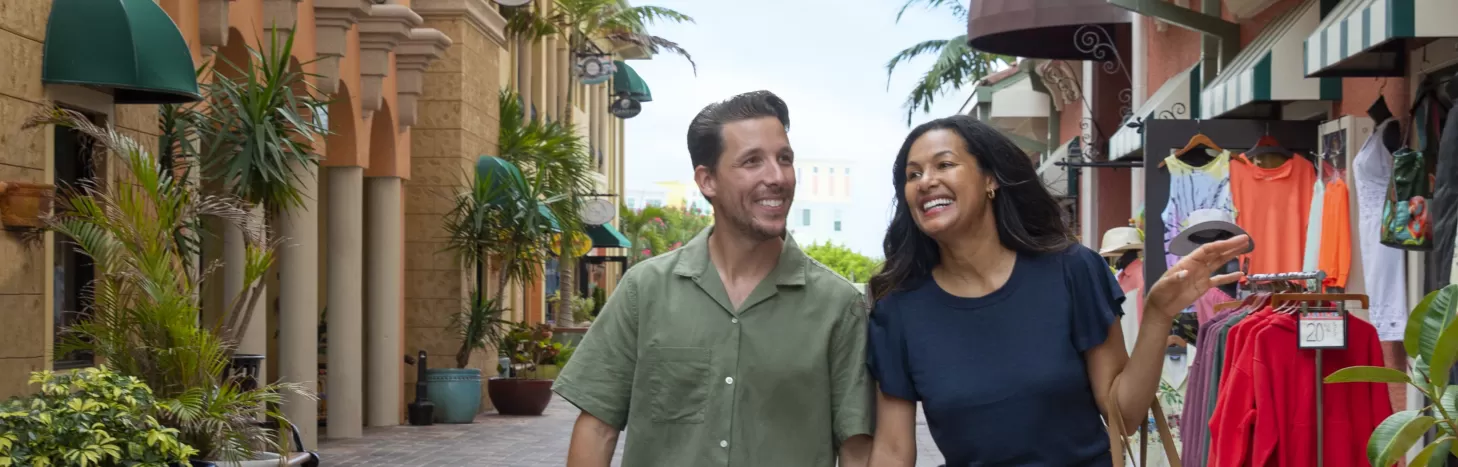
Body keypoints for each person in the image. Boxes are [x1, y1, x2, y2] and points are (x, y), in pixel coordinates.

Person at [865, 115, 1248, 466]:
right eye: (913, 174)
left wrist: (1158, 315)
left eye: (944, 164)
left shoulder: (1072, 271)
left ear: (990, 179)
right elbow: (892, 451)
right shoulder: (898, 310)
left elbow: (1125, 415)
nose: (926, 181)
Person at [554, 90, 874, 467]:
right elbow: (597, 428)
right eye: (752, 161)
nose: (777, 177)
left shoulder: (839, 306)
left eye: (784, 159)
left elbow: (856, 449)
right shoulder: (645, 290)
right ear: (707, 180)